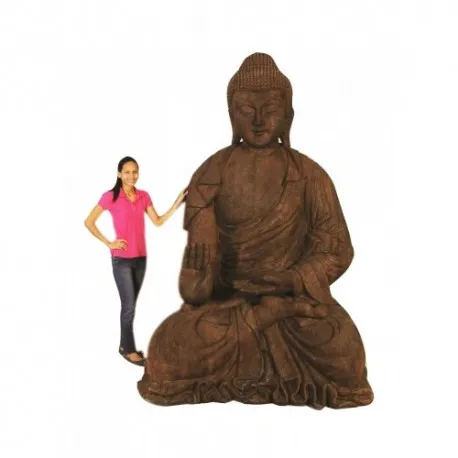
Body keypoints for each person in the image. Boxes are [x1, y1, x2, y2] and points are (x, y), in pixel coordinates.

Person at [137, 53, 373, 408]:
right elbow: (198, 281)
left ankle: (271, 316)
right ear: (231, 114)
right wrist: (197, 280)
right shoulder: (211, 174)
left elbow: (338, 251)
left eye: (270, 109)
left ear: (288, 115)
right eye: (247, 109)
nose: (259, 120)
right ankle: (265, 317)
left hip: (295, 303)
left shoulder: (310, 175)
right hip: (229, 304)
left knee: (342, 350)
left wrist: (290, 279)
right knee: (167, 349)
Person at [84, 156, 187, 366]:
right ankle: (128, 350)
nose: (132, 176)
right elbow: (89, 222)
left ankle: (124, 345)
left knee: (130, 305)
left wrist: (178, 202)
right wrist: (109, 243)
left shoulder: (143, 196)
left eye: (135, 172)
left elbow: (158, 221)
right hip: (121, 260)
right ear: (119, 174)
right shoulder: (110, 197)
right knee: (129, 306)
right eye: (127, 172)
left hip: (141, 259)